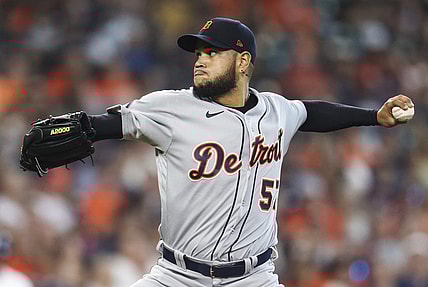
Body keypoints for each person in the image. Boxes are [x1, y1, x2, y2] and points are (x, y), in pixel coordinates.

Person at [25, 17, 414, 286]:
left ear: (243, 62)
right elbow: (107, 125)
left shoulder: (276, 111)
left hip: (254, 278)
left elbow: (312, 112)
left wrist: (372, 117)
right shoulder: (169, 108)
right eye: (199, 53)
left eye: (213, 52)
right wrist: (86, 128)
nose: (201, 60)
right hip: (177, 276)